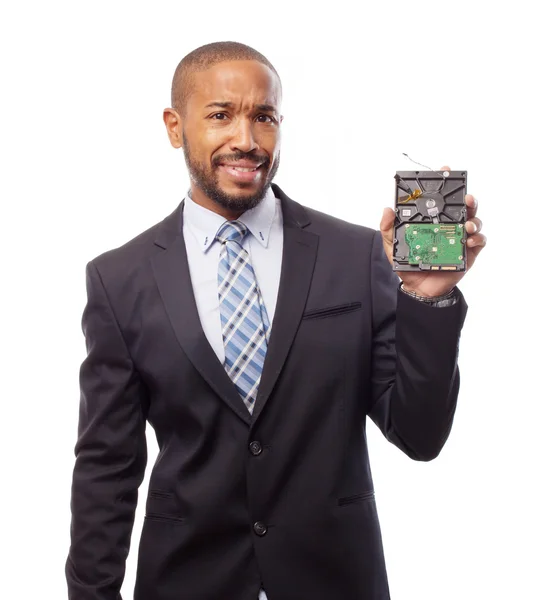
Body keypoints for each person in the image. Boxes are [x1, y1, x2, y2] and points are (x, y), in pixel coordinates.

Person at [65, 41, 486, 600]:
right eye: (221, 116)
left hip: (334, 580)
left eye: (264, 117)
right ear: (174, 126)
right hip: (187, 581)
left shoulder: (356, 256)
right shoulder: (119, 279)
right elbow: (106, 468)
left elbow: (420, 435)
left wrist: (425, 299)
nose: (246, 139)